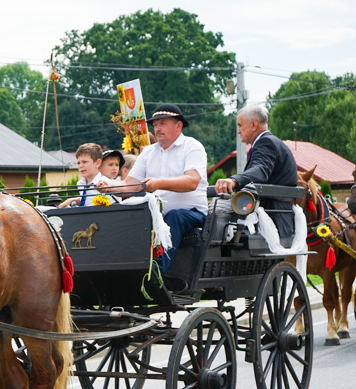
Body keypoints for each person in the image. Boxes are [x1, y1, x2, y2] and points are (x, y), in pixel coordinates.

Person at [100, 104, 208, 291]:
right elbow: (131, 186)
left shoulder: (192, 147)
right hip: (157, 215)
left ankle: (155, 274)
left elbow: (191, 181)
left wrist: (158, 183)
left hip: (193, 215)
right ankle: (119, 269)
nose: (157, 128)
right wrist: (108, 187)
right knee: (129, 215)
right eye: (155, 124)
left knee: (174, 216)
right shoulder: (148, 152)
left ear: (178, 126)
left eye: (162, 124)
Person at [213, 105, 297, 237]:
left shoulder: (266, 142)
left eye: (240, 125)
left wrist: (233, 180)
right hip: (274, 214)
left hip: (269, 217)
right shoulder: (269, 142)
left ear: (253, 125)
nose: (238, 131)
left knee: (214, 214)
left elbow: (260, 171)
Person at [59, 143, 105, 207]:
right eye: (78, 163)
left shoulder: (106, 183)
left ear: (97, 163)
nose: (80, 166)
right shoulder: (81, 184)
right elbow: (86, 200)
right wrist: (70, 200)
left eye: (84, 162)